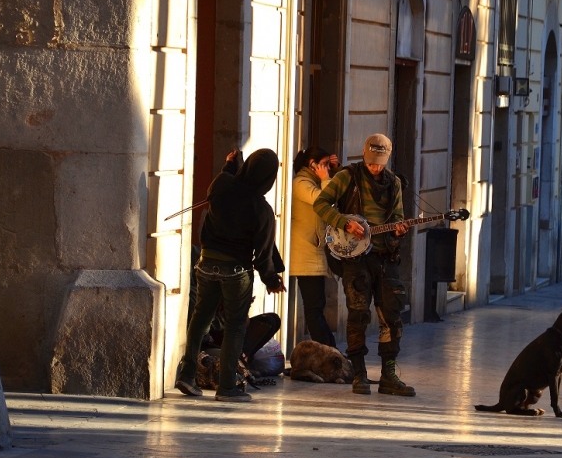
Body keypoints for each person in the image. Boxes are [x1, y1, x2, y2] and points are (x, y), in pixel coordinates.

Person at [176, 149, 286, 402]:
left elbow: (222, 182)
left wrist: (229, 164)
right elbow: (263, 255)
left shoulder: (223, 185)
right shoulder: (263, 210)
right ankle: (227, 387)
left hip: (206, 265)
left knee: (199, 320)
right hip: (236, 273)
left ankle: (187, 375)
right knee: (235, 327)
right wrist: (272, 280)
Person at [313, 133, 415, 396]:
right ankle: (359, 374)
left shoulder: (394, 183)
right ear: (364, 154)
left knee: (391, 317)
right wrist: (344, 222)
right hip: (356, 259)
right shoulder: (348, 177)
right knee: (358, 316)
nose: (375, 167)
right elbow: (320, 203)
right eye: (371, 161)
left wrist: (399, 230)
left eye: (380, 162)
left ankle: (389, 375)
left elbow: (398, 217)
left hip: (385, 258)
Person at [289, 147, 338, 348]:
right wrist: (327, 177)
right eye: (324, 164)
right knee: (314, 308)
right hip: (305, 255)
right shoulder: (301, 184)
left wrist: (333, 173)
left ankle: (330, 350)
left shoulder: (312, 182)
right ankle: (328, 351)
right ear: (312, 164)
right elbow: (324, 203)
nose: (327, 168)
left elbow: (335, 196)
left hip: (313, 253)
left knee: (316, 307)